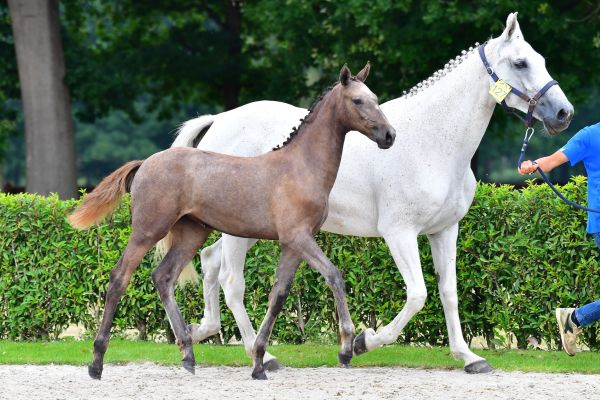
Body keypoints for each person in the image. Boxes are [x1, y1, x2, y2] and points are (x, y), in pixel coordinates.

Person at [518, 121, 600, 356]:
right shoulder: (590, 135)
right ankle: (574, 318)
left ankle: (573, 318)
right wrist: (532, 165)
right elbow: (553, 161)